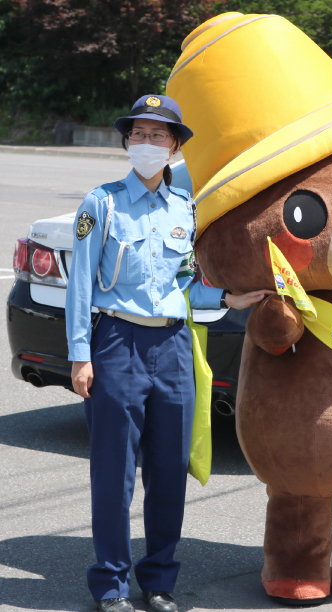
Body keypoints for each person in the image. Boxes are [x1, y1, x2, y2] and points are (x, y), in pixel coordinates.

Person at [65, 95, 272, 612]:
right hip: (116, 343)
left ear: (176, 146)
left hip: (174, 345)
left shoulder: (185, 209)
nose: (147, 144)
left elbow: (185, 287)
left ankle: (158, 581)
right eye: (138, 134)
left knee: (169, 468)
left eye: (159, 136)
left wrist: (229, 298)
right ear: (127, 142)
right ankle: (110, 585)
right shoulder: (102, 204)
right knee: (113, 473)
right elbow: (81, 290)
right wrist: (79, 355)